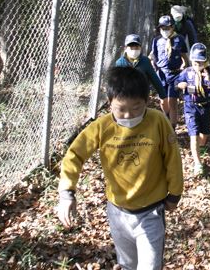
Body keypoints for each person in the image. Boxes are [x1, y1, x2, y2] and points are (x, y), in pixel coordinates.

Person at [57, 66, 184, 270]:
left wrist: (174, 194)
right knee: (127, 265)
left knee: (150, 266)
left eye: (136, 108)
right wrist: (66, 193)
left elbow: (172, 159)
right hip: (117, 212)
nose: (128, 115)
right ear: (109, 104)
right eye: (120, 109)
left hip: (151, 212)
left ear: (147, 101)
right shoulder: (102, 127)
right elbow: (74, 155)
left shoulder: (158, 121)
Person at [175, 43, 210, 175]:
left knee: (204, 134)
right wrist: (181, 85)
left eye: (201, 62)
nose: (198, 65)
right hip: (191, 106)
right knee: (193, 135)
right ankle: (197, 163)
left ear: (205, 61)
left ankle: (199, 149)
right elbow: (176, 83)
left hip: (206, 107)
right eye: (196, 62)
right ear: (192, 61)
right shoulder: (187, 72)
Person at [150, 15, 189, 129]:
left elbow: (183, 54)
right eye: (162, 28)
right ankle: (166, 116)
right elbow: (154, 55)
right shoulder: (156, 40)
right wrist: (153, 63)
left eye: (167, 28)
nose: (165, 30)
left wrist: (185, 64)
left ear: (172, 27)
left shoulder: (179, 39)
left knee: (172, 100)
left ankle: (172, 127)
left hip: (175, 74)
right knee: (163, 100)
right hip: (161, 73)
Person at [116, 33, 167, 100]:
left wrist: (163, 96)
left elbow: (154, 78)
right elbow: (117, 83)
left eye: (136, 47)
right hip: (126, 96)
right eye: (131, 47)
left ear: (140, 48)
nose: (134, 50)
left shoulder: (145, 61)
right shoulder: (120, 63)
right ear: (125, 48)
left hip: (141, 96)